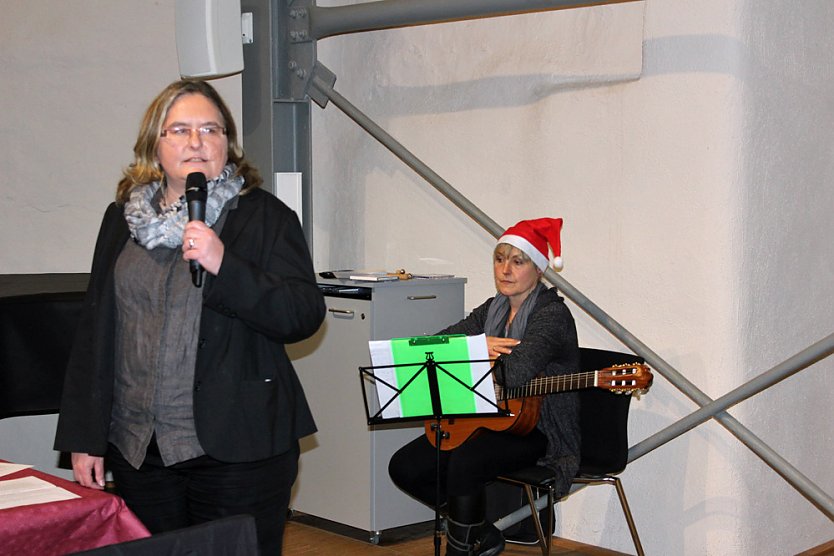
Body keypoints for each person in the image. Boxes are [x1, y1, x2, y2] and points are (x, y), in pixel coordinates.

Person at [53, 78, 326, 555]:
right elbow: (96, 331)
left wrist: (225, 264)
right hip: (140, 450)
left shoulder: (264, 217)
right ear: (155, 145)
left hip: (239, 449)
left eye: (211, 129)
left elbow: (302, 315)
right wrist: (86, 436)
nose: (197, 142)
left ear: (228, 143)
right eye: (180, 130)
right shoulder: (120, 220)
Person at [388, 218, 580, 556]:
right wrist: (475, 346)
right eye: (499, 259)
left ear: (538, 269)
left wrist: (473, 350)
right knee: (405, 467)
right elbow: (434, 345)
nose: (505, 270)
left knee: (465, 463)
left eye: (517, 261)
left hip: (538, 430)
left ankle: (461, 549)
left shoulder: (552, 316)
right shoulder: (492, 309)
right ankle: (480, 532)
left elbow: (515, 373)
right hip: (486, 418)